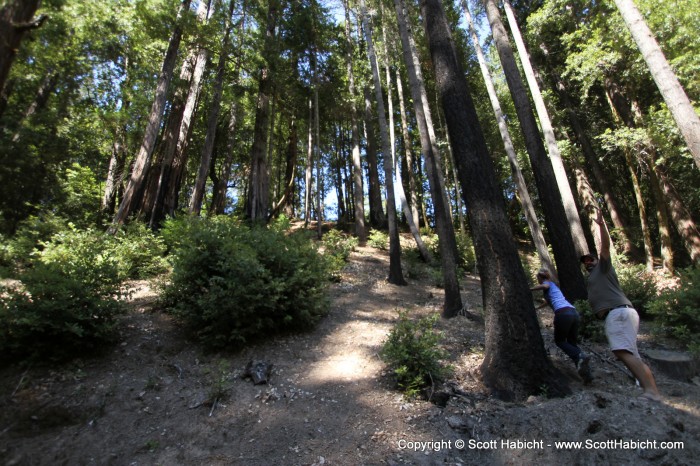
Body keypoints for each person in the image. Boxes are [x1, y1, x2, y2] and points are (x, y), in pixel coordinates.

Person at [581, 206, 661, 401]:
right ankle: (650, 391)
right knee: (631, 353)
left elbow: (605, 249)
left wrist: (601, 226)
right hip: (620, 314)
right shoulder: (592, 277)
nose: (588, 262)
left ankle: (652, 392)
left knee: (621, 351)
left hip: (618, 313)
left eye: (591, 259)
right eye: (585, 261)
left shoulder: (604, 268)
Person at [531, 268, 592, 383]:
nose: (537, 280)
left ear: (540, 277)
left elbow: (545, 286)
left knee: (560, 341)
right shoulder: (553, 288)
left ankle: (581, 358)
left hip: (563, 314)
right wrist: (537, 308)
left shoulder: (547, 283)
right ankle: (586, 373)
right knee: (572, 344)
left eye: (537, 278)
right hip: (573, 313)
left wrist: (529, 289)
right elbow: (547, 302)